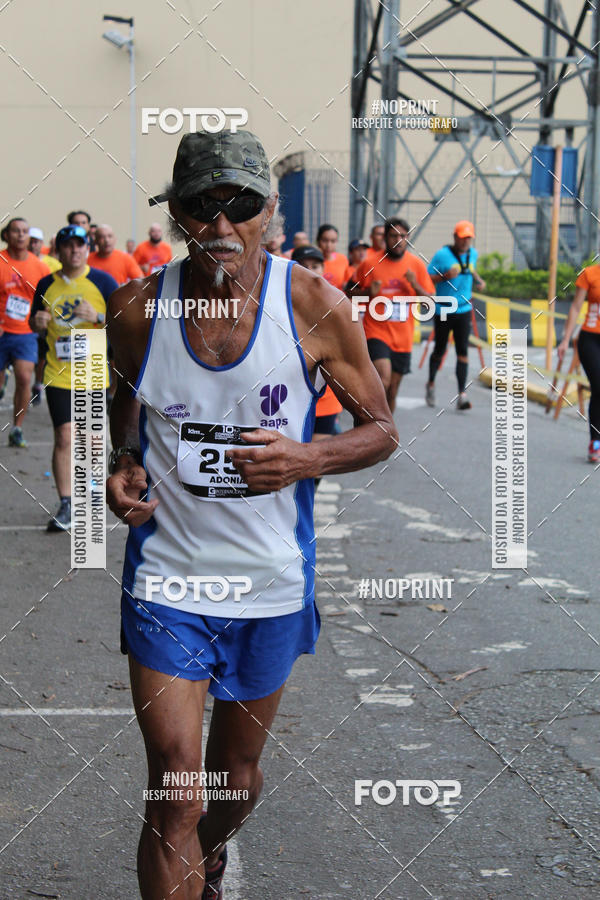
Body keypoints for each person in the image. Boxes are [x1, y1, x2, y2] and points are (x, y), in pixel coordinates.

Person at [106, 129, 396, 900]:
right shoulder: (137, 310)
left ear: (270, 212)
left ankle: (211, 848)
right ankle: (185, 855)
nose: (224, 227)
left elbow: (382, 429)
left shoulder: (314, 306)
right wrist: (122, 464)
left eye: (242, 207)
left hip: (268, 583)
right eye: (204, 208)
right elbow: (123, 402)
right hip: (168, 579)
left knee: (233, 783)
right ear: (179, 216)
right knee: (175, 780)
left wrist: (309, 458)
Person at [30, 225, 117, 530]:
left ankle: (90, 497)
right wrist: (38, 323)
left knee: (92, 442)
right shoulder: (45, 283)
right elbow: (34, 321)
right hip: (58, 374)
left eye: (80, 245)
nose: (74, 250)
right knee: (65, 437)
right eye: (68, 246)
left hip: (93, 373)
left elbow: (123, 326)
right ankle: (66, 504)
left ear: (87, 248)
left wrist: (100, 318)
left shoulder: (103, 282)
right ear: (60, 250)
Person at [360, 217, 435, 413]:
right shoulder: (370, 263)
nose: (399, 240)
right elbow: (349, 291)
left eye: (403, 236)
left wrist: (414, 284)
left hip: (403, 337)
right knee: (382, 380)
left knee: (392, 391)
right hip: (376, 331)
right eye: (394, 235)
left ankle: (385, 433)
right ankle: (369, 422)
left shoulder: (416, 265)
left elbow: (430, 301)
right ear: (386, 237)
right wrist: (369, 293)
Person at [425, 220, 486, 410]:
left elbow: (471, 269)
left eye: (469, 238)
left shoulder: (472, 254)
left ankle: (462, 394)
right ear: (455, 237)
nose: (466, 242)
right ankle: (431, 383)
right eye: (462, 238)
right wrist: (444, 277)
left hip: (463, 310)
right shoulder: (442, 255)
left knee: (463, 351)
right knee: (440, 350)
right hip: (444, 309)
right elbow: (426, 278)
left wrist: (478, 280)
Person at [0, 217, 50, 446]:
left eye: (24, 231)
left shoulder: (39, 267)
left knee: (23, 377)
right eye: (15, 231)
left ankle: (17, 429)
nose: (20, 235)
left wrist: (45, 319)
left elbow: (48, 299)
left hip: (25, 333)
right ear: (7, 235)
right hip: (1, 330)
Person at [292, 245, 343, 449]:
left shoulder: (338, 308)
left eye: (316, 266)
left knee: (315, 466)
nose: (311, 273)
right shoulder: (276, 306)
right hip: (288, 401)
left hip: (326, 398)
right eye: (304, 267)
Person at [558, 262, 600, 462]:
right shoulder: (589, 275)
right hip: (590, 339)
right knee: (599, 387)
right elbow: (575, 308)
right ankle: (595, 442)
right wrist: (565, 340)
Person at [29, 228, 62, 405]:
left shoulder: (50, 263)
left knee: (42, 354)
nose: (33, 244)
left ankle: (38, 384)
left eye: (36, 241)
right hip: (25, 314)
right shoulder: (18, 261)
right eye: (31, 240)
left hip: (46, 314)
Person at [316, 223, 351, 290]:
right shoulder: (312, 261)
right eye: (325, 240)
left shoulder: (342, 259)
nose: (328, 245)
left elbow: (346, 284)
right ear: (318, 241)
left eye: (333, 241)